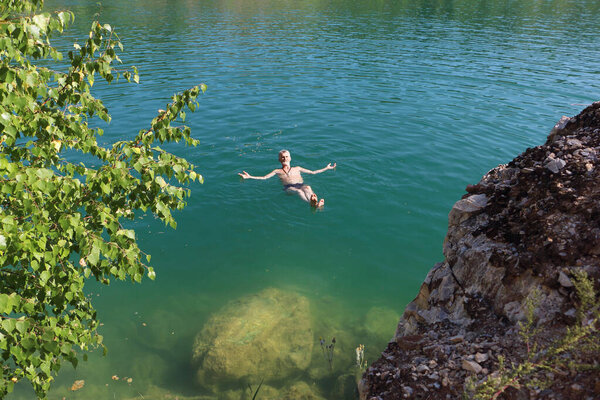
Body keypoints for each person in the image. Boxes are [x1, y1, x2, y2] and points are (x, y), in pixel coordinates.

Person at [238, 150, 336, 208]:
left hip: (300, 185)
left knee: (308, 187)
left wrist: (326, 168)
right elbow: (264, 178)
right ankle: (311, 203)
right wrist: (249, 177)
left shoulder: (297, 168)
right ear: (279, 160)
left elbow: (313, 172)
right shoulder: (277, 171)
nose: (284, 158)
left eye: (286, 157)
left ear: (290, 158)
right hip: (288, 187)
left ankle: (315, 202)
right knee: (299, 192)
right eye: (282, 157)